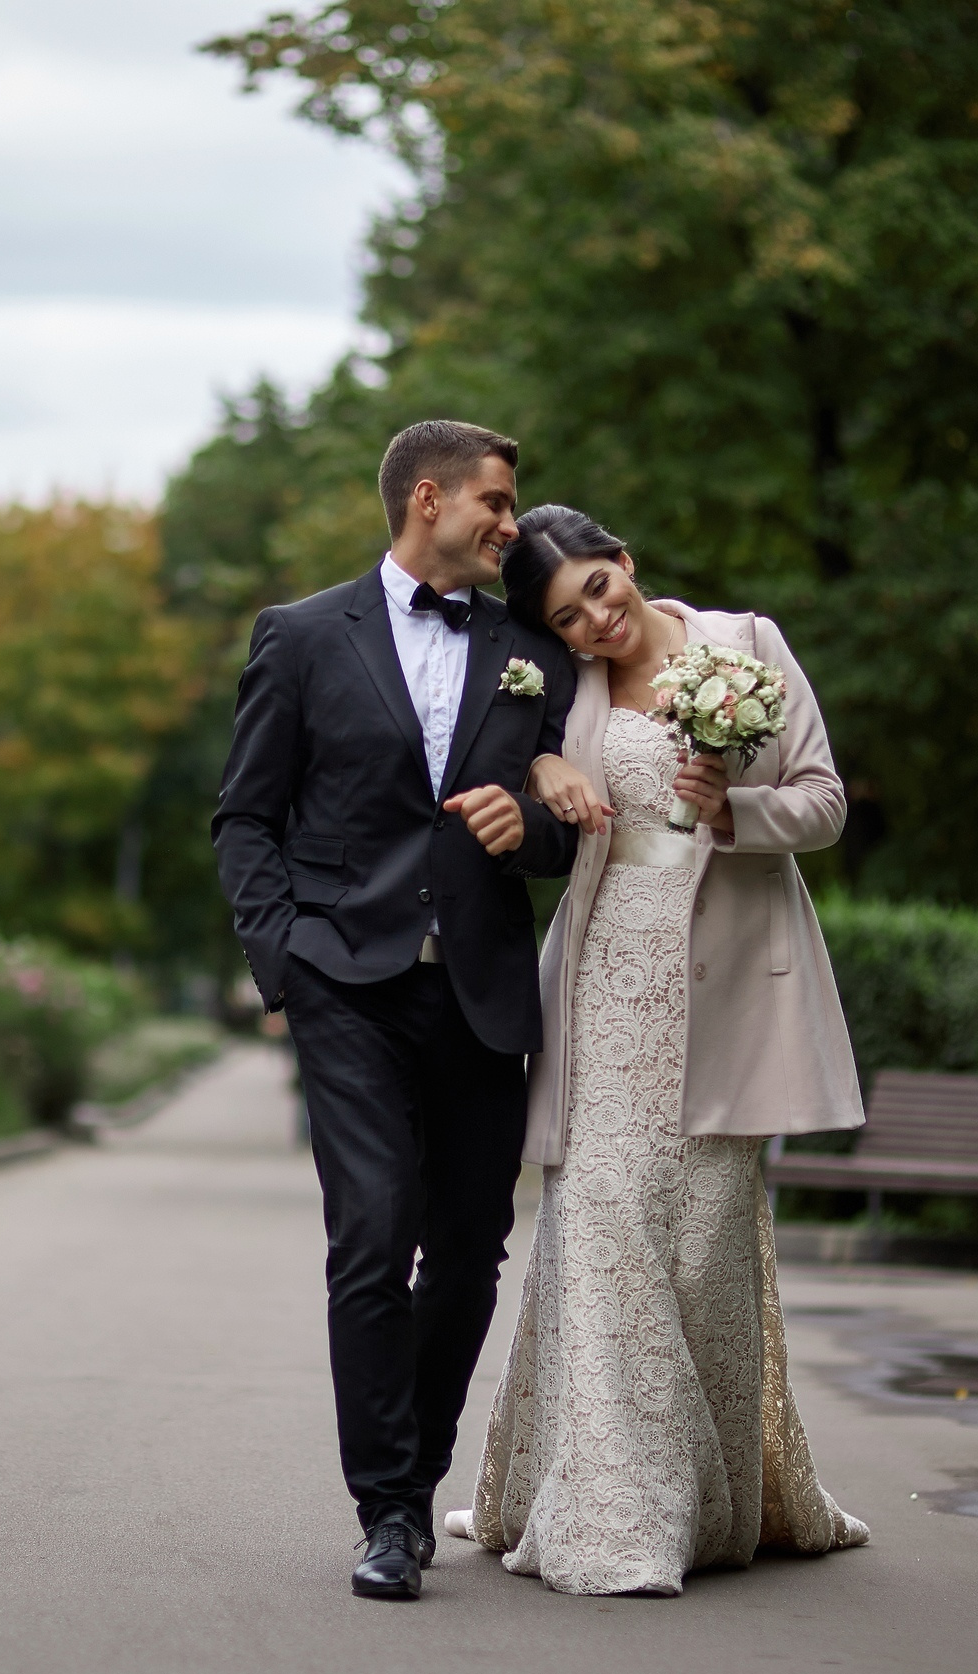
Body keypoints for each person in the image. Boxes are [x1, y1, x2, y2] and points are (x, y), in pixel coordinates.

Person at [444, 504, 871, 1597]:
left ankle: (711, 1500)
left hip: (730, 983)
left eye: (596, 587)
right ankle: (612, 1510)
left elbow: (824, 805)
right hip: (604, 981)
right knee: (597, 1219)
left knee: (703, 1247)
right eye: (566, 617)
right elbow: (523, 777)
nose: (594, 620)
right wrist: (544, 778)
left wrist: (736, 815)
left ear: (623, 562)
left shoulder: (749, 645)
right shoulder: (554, 687)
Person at [213, 422, 582, 1600]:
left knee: (469, 1251)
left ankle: (417, 1478)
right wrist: (285, 961)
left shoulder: (531, 647)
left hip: (478, 991)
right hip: (346, 985)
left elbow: (576, 812)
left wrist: (534, 829)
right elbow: (245, 818)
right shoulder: (302, 636)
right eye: (498, 502)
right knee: (372, 1230)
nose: (511, 525)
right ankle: (385, 1507)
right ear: (429, 499)